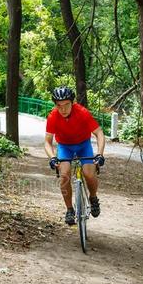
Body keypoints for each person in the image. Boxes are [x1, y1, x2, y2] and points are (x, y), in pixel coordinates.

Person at [44, 86, 106, 225]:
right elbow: (47, 142)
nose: (63, 109)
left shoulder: (82, 112)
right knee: (64, 174)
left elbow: (99, 133)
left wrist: (99, 154)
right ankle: (70, 210)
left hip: (83, 145)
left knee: (89, 173)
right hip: (65, 146)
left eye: (67, 104)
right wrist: (52, 157)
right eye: (59, 106)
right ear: (55, 105)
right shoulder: (53, 116)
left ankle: (93, 198)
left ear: (72, 103)